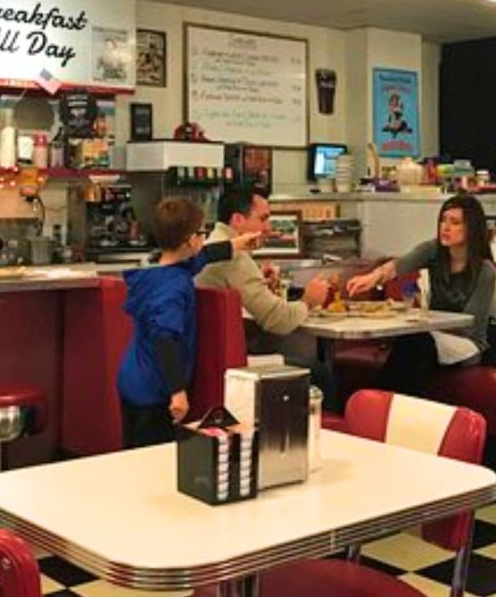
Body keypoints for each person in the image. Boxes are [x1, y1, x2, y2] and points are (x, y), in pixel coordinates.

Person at [117, 197, 259, 449]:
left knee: (135, 449)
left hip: (134, 378)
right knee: (152, 455)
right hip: (153, 391)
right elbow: (164, 339)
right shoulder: (172, 287)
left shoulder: (159, 273)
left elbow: (202, 257)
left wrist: (236, 244)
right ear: (192, 240)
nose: (204, 238)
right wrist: (178, 391)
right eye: (202, 233)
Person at [345, 193, 496, 397]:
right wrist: (374, 277)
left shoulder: (485, 271)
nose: (445, 227)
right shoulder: (434, 250)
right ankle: (381, 400)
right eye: (443, 220)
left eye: (455, 222)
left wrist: (425, 323)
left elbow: (470, 325)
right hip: (433, 334)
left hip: (468, 345)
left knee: (416, 342)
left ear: (471, 228)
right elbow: (399, 265)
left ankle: (378, 399)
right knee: (413, 343)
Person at [196, 185, 335, 402]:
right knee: (320, 373)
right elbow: (278, 321)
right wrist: (309, 300)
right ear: (238, 220)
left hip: (207, 360)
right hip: (234, 365)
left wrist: (261, 284)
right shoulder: (235, 258)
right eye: (263, 219)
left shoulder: (212, 246)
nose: (269, 228)